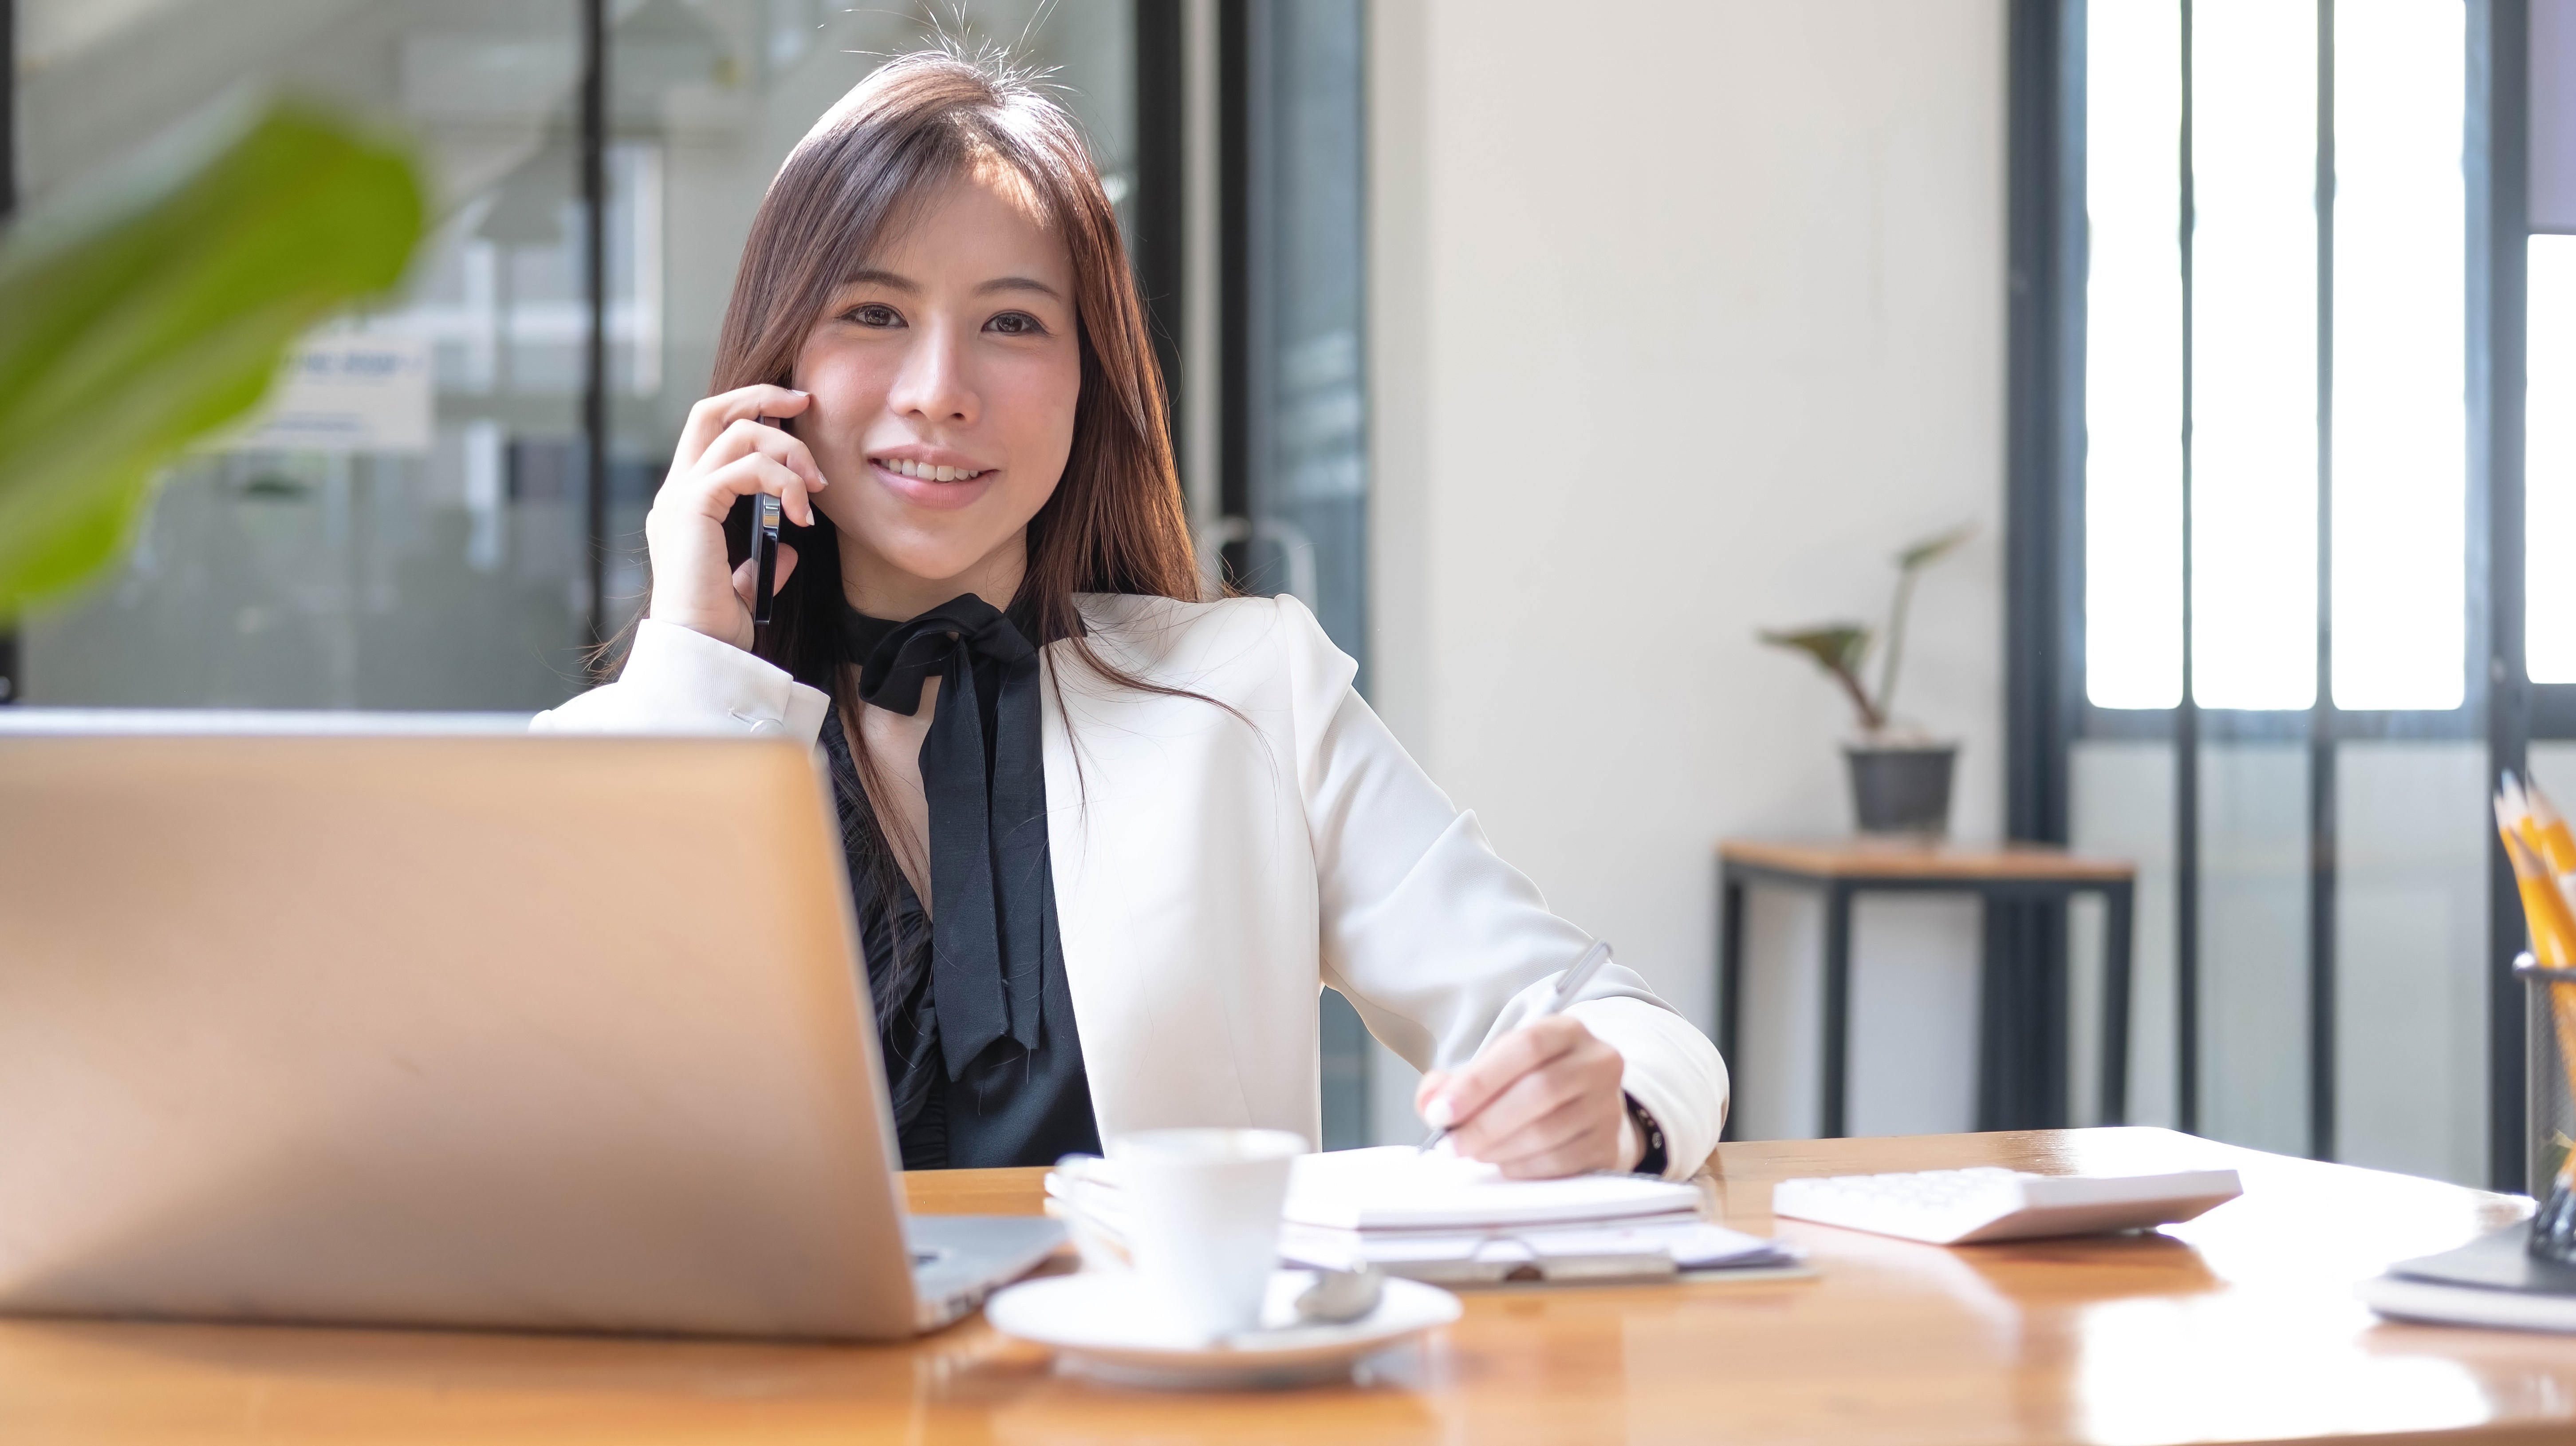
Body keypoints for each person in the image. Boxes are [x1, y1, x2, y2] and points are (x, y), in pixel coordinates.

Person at [535, 47, 1726, 1180]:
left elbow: (1617, 1022)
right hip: (775, 1394)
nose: (939, 393)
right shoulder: (661, 725)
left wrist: (1605, 1111)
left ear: (1088, 376)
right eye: (875, 314)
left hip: (1163, 1386)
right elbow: (547, 1108)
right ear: (774, 359)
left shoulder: (1255, 689)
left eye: (1012, 323)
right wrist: (694, 667)